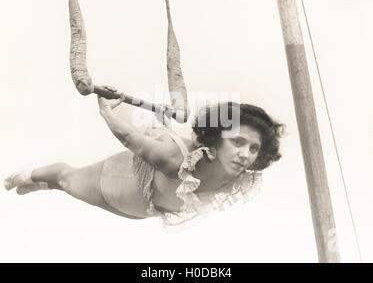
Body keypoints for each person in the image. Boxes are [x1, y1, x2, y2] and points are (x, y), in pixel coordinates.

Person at [4, 89, 284, 226]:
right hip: (121, 183)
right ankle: (28, 175)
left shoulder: (244, 177)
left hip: (145, 209)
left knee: (70, 186)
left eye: (253, 148)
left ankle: (43, 184)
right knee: (65, 178)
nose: (245, 155)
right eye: (237, 142)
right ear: (216, 141)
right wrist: (106, 112)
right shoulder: (176, 160)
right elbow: (129, 138)